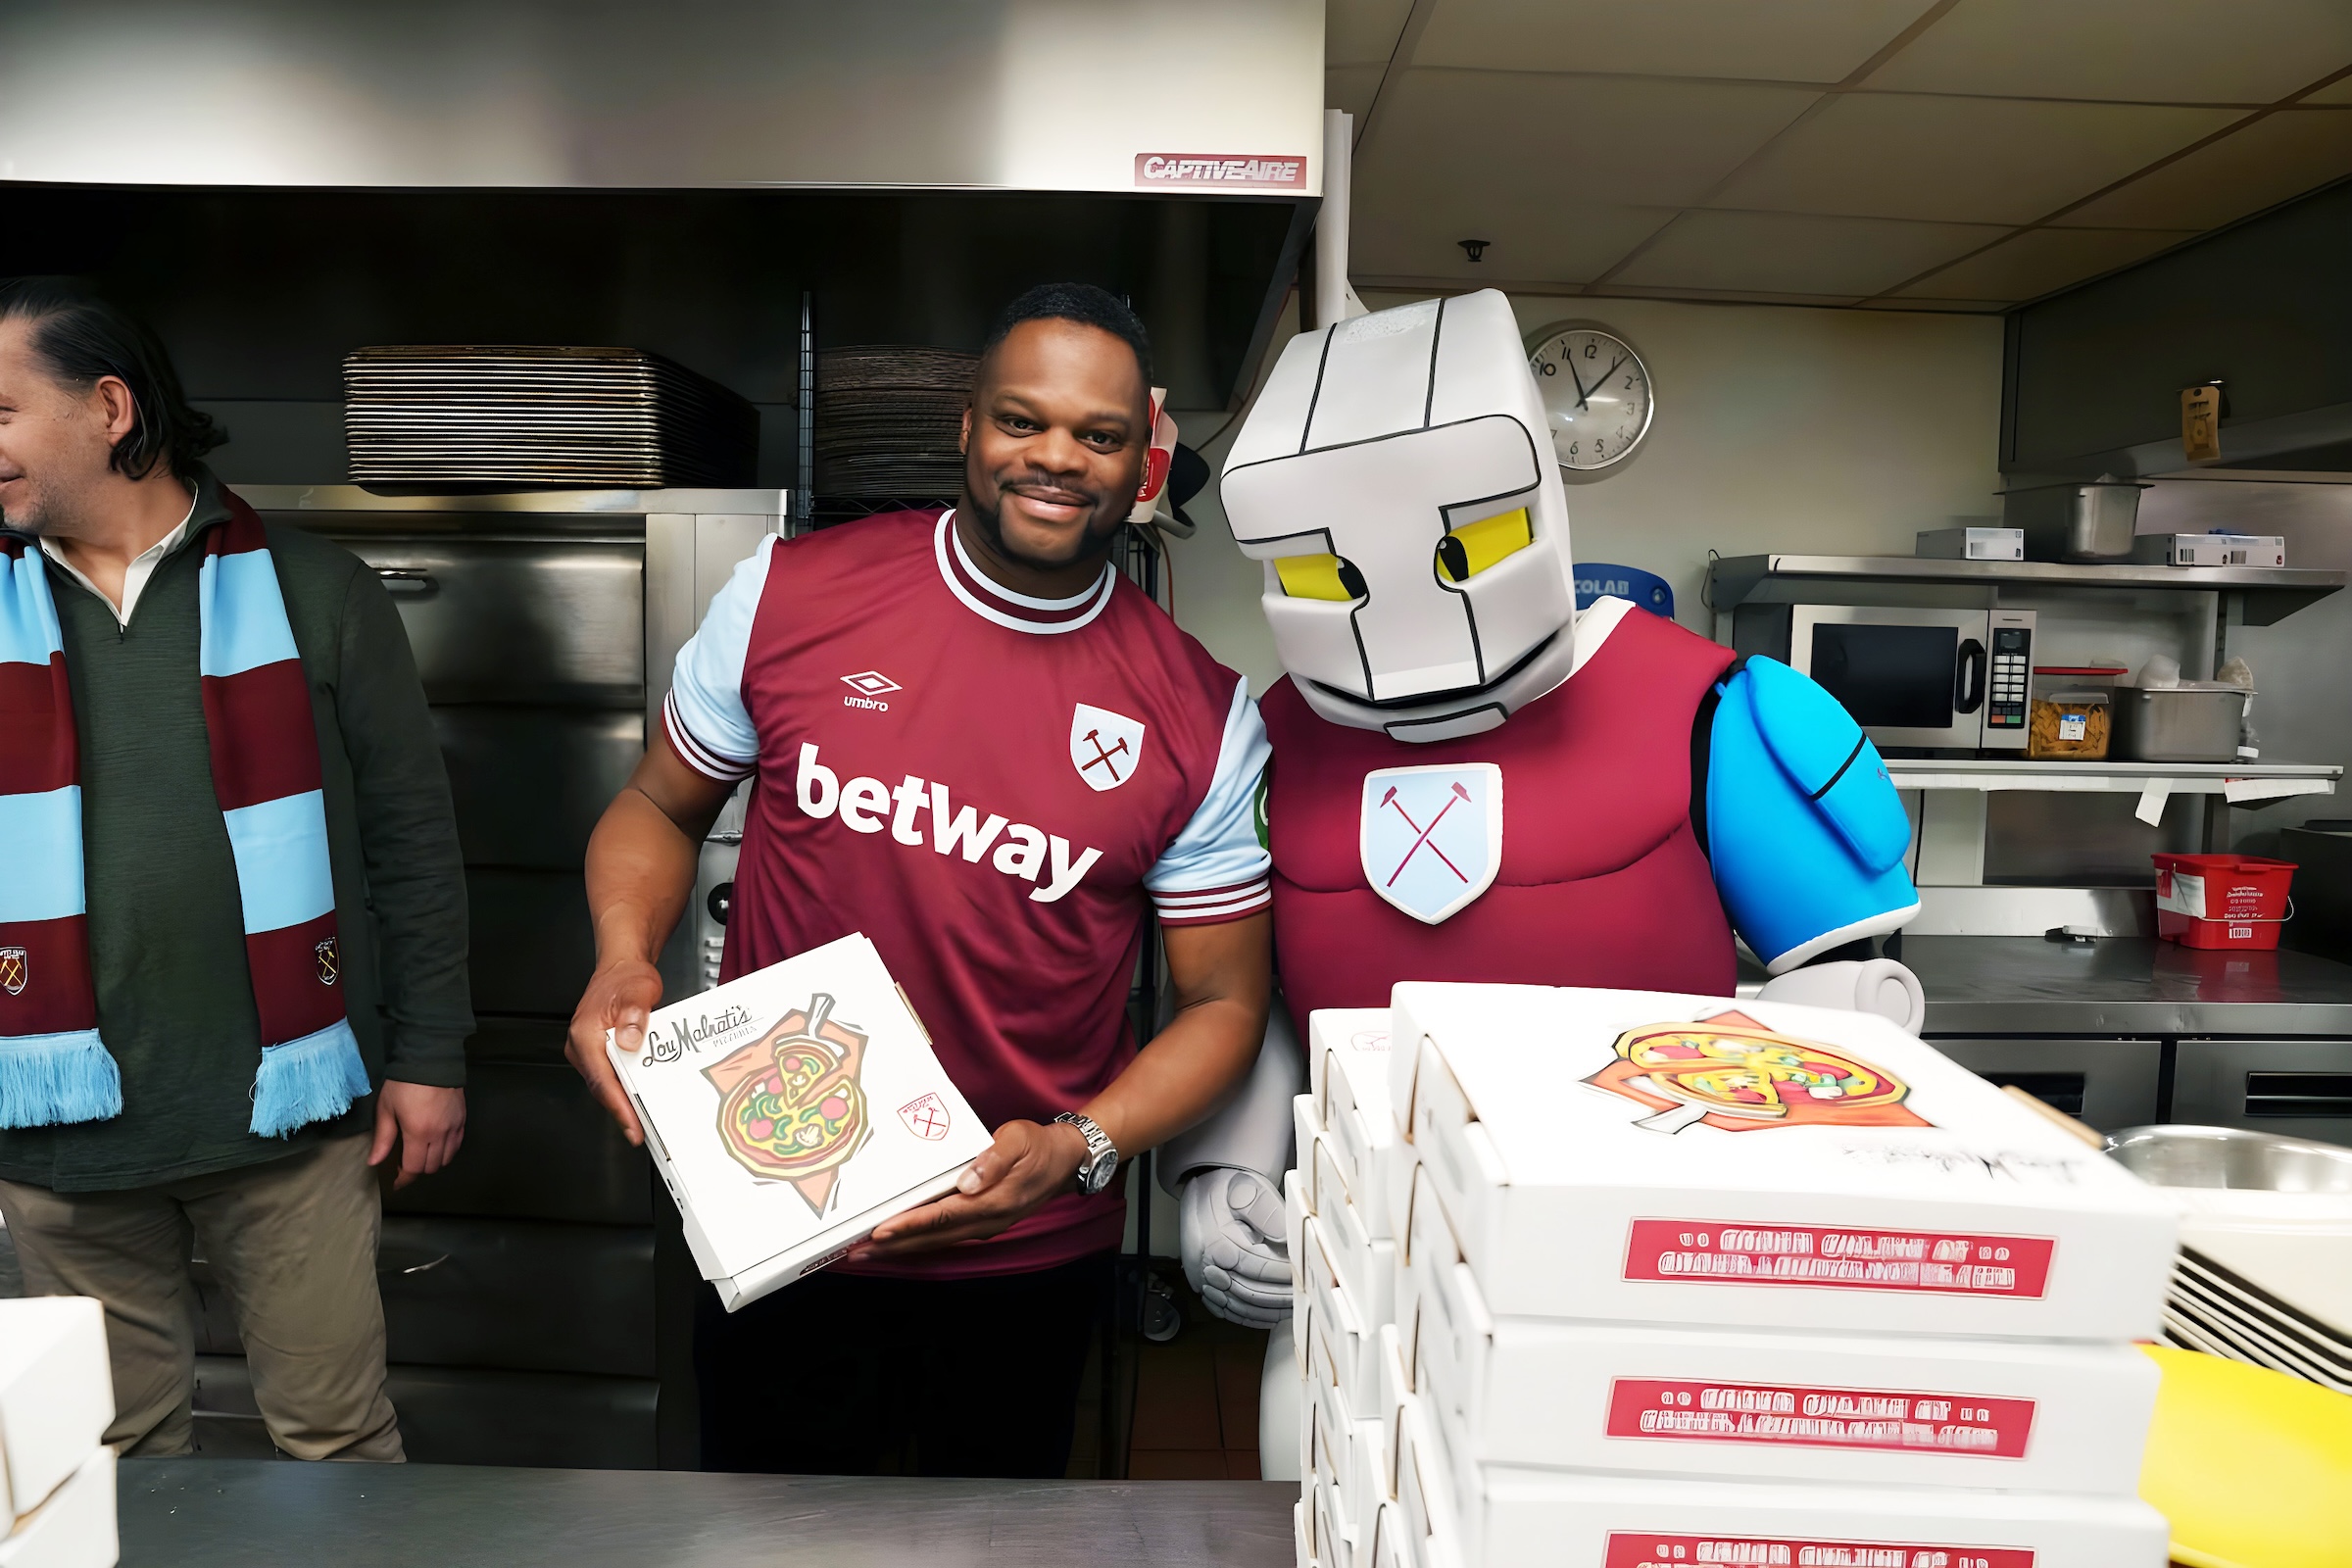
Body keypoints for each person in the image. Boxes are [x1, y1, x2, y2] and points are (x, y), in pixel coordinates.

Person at [566, 282, 1275, 1479]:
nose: (1057, 458)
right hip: (778, 1222)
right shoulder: (790, 593)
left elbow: (1225, 1007)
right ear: (966, 426)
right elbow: (655, 805)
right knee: (766, 1549)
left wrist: (1083, 1144)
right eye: (1021, 420)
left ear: (1141, 461)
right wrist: (625, 953)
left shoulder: (1201, 714)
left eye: (1099, 436)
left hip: (1027, 1256)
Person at [1177, 287, 1928, 1345]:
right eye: (1321, 572)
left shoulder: (1711, 713)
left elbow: (1841, 992)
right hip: (1371, 1250)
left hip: (1648, 1247)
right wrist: (1226, 1169)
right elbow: (1251, 1005)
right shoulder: (1271, 739)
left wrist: (1830, 1040)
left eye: (1463, 551)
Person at [0, 279, 471, 1461]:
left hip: (290, 1124)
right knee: (90, 1478)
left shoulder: (321, 591)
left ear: (108, 407)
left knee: (337, 1446)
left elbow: (412, 844)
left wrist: (428, 1056)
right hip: (59, 1145)